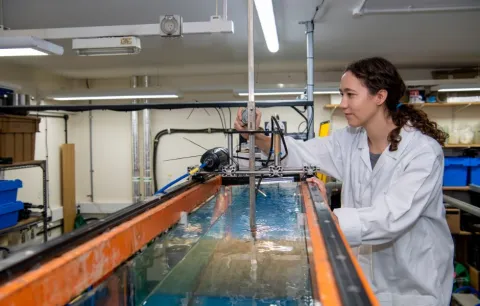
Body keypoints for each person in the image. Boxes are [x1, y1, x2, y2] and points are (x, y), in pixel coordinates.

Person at [234, 57, 454, 306]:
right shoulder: (350, 140)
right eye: (342, 94)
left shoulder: (422, 151)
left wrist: (328, 218)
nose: (343, 104)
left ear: (379, 97)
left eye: (350, 95)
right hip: (363, 277)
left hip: (414, 285)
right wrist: (259, 137)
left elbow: (392, 215)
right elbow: (301, 153)